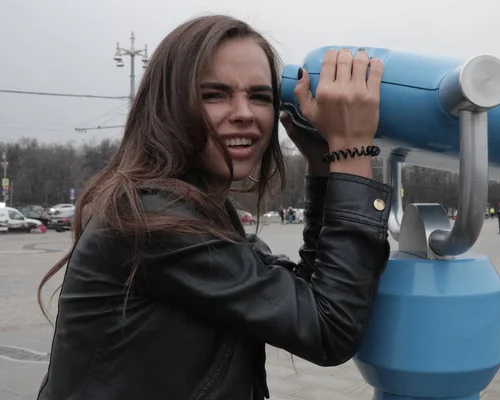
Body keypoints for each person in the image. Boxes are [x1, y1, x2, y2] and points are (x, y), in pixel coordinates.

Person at [35, 15, 391, 400]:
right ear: (167, 108)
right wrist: (353, 149)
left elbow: (300, 296)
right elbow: (328, 329)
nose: (244, 112)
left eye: (259, 96)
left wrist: (323, 164)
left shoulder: (196, 208)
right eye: (214, 94)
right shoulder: (150, 218)